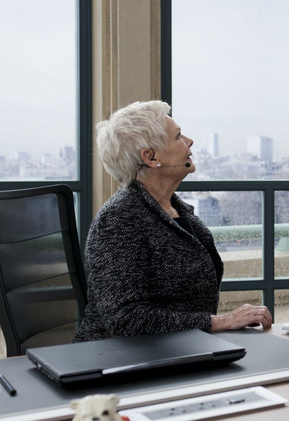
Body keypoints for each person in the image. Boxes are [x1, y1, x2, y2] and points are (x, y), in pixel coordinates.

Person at [73, 100, 272, 342]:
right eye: (178, 136)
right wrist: (219, 322)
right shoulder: (118, 219)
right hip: (121, 363)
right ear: (150, 157)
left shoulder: (177, 209)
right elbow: (126, 319)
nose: (189, 141)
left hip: (180, 351)